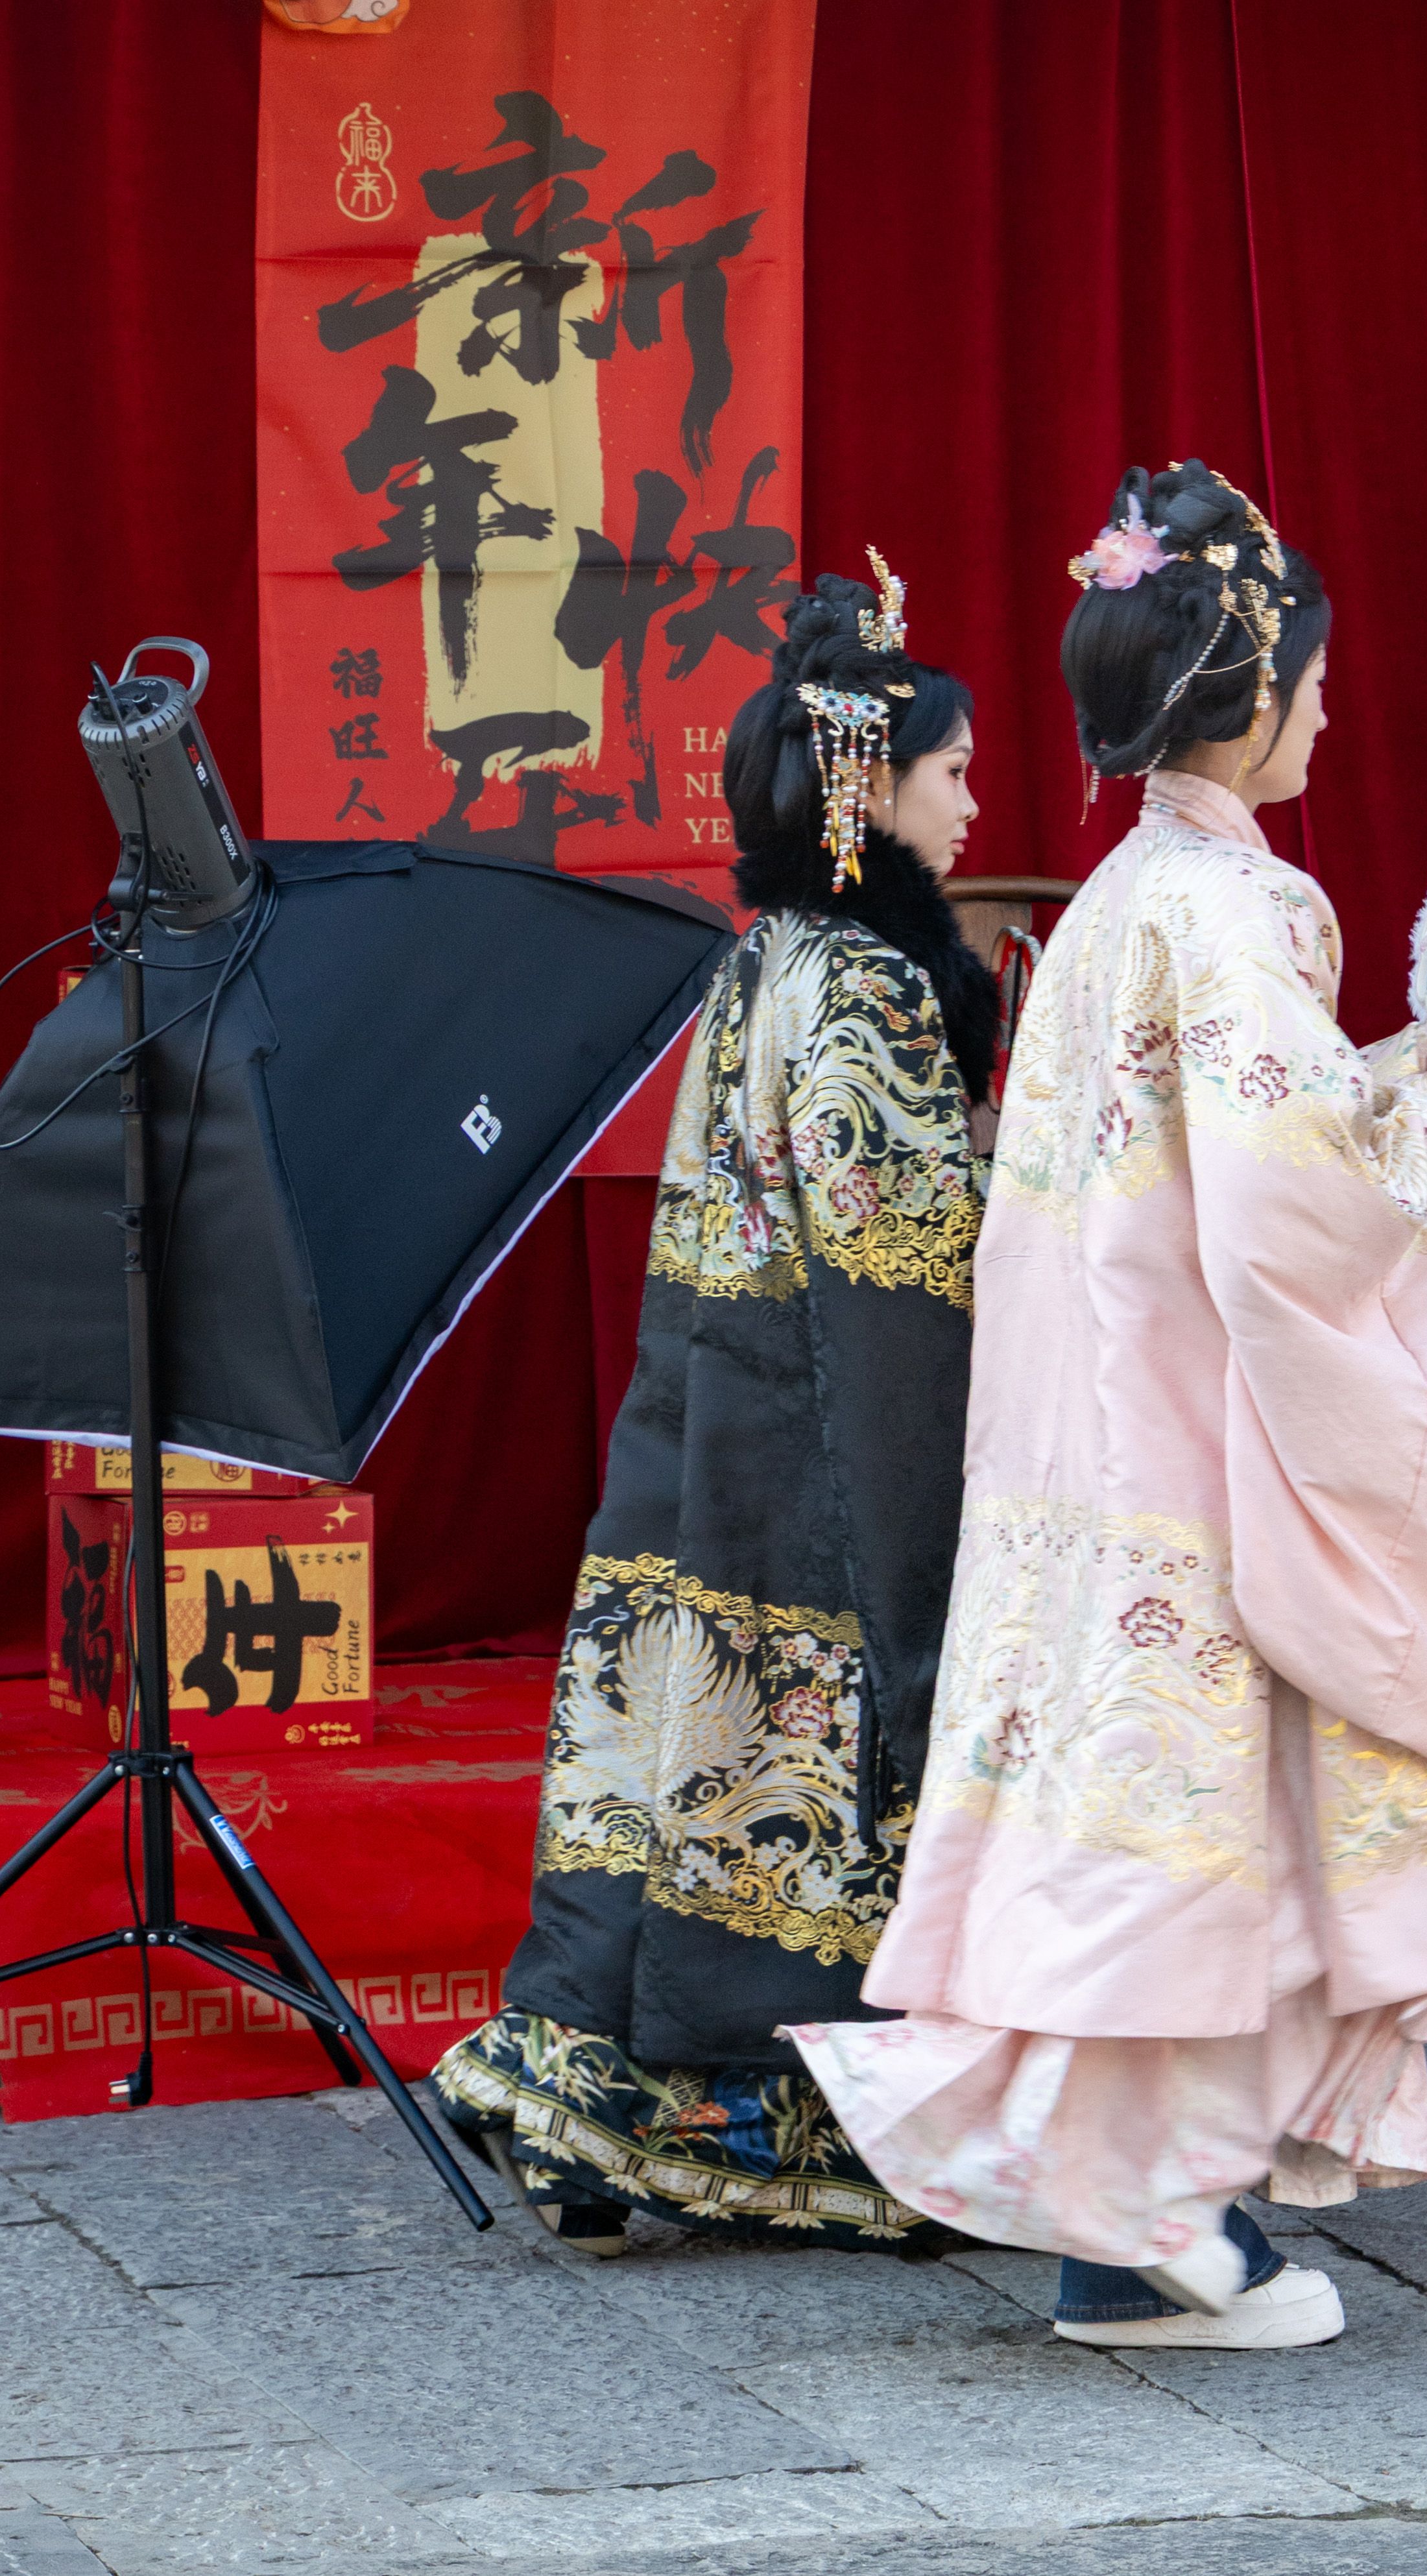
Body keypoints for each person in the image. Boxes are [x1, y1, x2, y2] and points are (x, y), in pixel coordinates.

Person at [790, 461, 1427, 2346]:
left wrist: (1379, 1078)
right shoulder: (1239, 904)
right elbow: (1285, 1209)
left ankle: (1130, 2229)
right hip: (1189, 1444)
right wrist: (1419, 1136)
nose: (1326, 714)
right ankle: (1160, 2235)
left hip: (1081, 1440)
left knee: (1119, 1823)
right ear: (1245, 698)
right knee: (1206, 1821)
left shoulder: (1120, 899)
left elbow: (1204, 1155)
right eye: (1308, 683)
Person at [437, 559, 997, 2252]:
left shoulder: (767, 960)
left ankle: (569, 2093)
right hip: (811, 1461)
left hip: (698, 1427)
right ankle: (753, 2128)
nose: (973, 804)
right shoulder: (874, 988)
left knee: (663, 1767)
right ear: (865, 789)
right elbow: (908, 1283)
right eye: (952, 772)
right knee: (773, 1793)